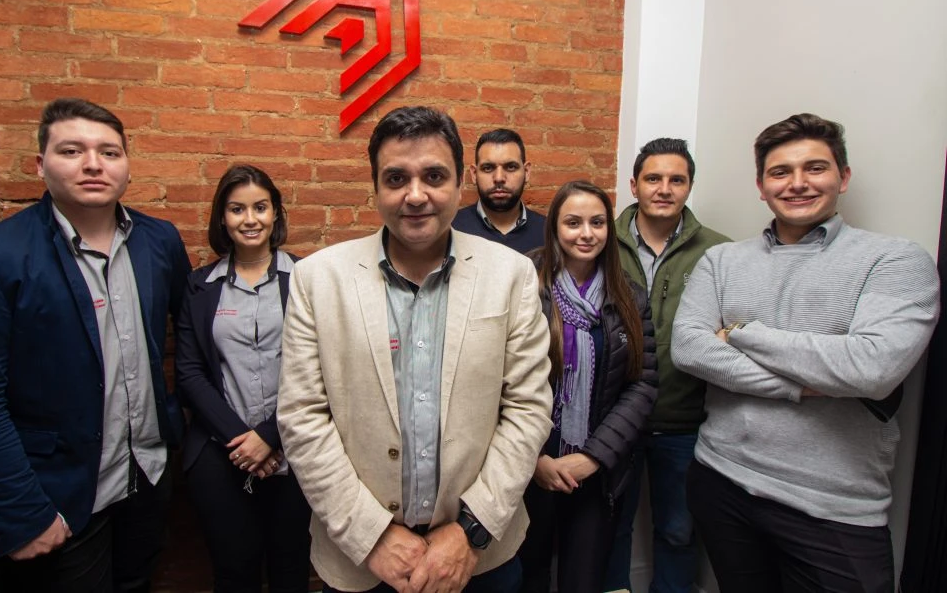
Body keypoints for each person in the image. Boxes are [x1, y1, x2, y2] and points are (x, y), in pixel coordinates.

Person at [277, 106, 553, 593]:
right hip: (362, 561)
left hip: (480, 557)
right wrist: (371, 535)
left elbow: (527, 410)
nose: (416, 194)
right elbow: (302, 417)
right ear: (375, 187)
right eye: (396, 178)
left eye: (434, 176)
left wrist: (470, 531)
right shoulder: (317, 279)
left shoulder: (511, 275)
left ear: (460, 184)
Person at [672, 113, 939, 592]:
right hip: (722, 478)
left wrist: (741, 332)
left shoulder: (895, 260)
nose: (797, 183)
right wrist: (805, 385)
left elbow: (872, 369)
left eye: (815, 168)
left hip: (834, 507)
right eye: (780, 172)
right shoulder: (722, 260)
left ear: (843, 176)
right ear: (761, 186)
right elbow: (689, 349)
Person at [0, 97, 191, 591]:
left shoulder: (158, 240)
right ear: (40, 164)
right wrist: (21, 512)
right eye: (72, 151)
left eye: (109, 152)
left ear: (126, 165)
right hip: (58, 498)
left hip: (147, 476)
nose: (93, 164)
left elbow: (191, 335)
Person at [517, 180, 658, 593]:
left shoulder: (629, 295)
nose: (586, 233)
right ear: (554, 228)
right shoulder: (524, 285)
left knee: (584, 579)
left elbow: (643, 384)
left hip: (597, 469)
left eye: (597, 222)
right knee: (528, 575)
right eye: (573, 222)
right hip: (530, 464)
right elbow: (500, 379)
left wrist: (594, 457)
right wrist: (535, 460)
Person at [174, 164, 310, 592]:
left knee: (291, 572)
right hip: (220, 454)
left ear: (275, 214)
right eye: (237, 209)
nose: (250, 219)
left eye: (260, 208)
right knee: (234, 573)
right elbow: (189, 373)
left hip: (296, 452)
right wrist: (242, 440)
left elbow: (323, 369)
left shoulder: (307, 279)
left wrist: (269, 436)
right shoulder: (199, 286)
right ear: (222, 218)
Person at [605, 138, 729, 593]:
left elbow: (731, 327)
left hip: (684, 421)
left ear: (689, 186)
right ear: (634, 184)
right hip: (613, 419)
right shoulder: (601, 242)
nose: (664, 189)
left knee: (679, 531)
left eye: (677, 180)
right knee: (610, 528)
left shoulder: (718, 252)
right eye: (653, 178)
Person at [452, 128, 546, 253]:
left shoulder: (549, 231)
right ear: (474, 174)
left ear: (526, 172)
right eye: (488, 168)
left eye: (511, 167)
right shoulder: (450, 228)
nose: (499, 178)